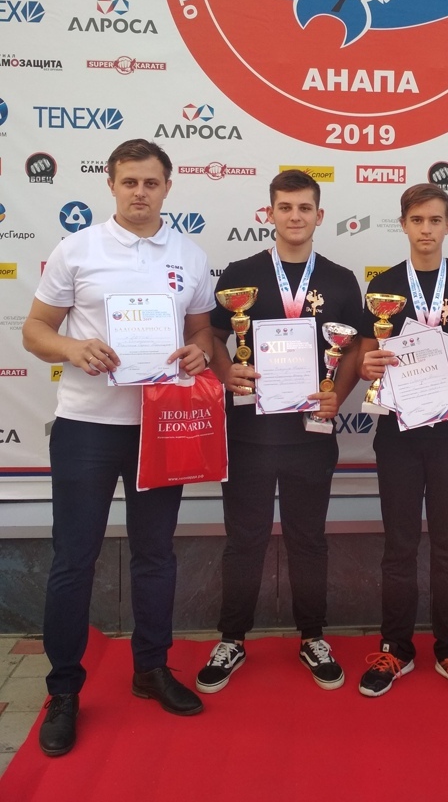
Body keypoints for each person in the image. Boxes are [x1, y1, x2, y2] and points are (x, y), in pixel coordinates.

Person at [22, 139, 215, 757]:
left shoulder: (189, 254)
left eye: (151, 182)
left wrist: (200, 353)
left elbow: (203, 331)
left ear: (167, 187)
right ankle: (63, 690)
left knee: (155, 555)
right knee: (73, 559)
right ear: (111, 185)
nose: (140, 192)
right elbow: (34, 330)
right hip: (86, 427)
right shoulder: (77, 248)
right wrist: (72, 348)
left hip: (159, 427)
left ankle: (151, 668)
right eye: (129, 181)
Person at [195, 170, 362, 695]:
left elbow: (355, 349)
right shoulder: (240, 274)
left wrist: (339, 396)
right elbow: (211, 335)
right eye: (285, 207)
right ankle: (232, 638)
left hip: (312, 434)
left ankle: (313, 636)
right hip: (248, 433)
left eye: (304, 207)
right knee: (244, 540)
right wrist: (226, 373)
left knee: (307, 540)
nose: (294, 216)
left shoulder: (341, 279)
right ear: (268, 214)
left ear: (319, 215)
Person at [357, 184, 448, 700]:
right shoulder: (384, 285)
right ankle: (395, 647)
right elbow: (367, 354)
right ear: (404, 225)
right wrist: (367, 366)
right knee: (400, 543)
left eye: (436, 220)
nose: (427, 229)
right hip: (397, 433)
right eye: (417, 220)